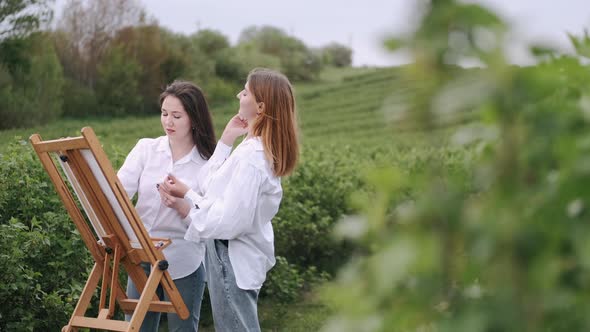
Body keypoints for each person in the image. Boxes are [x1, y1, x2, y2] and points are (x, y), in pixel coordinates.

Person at [158, 68, 299, 331]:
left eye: (245, 91)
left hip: (230, 254)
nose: (238, 94)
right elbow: (209, 184)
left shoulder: (252, 158)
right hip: (228, 253)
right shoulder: (249, 148)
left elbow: (230, 222)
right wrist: (226, 140)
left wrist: (188, 209)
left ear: (260, 105)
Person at [117, 80, 221, 331]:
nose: (168, 122)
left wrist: (179, 205)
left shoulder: (208, 164)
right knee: (137, 327)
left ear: (194, 119)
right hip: (142, 255)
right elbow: (117, 193)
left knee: (182, 329)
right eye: (164, 114)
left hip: (184, 261)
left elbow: (208, 221)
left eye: (176, 115)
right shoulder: (146, 149)